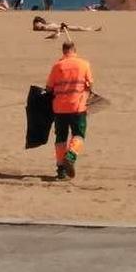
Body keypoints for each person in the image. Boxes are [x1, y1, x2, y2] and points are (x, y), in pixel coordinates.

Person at [46, 41, 93, 180]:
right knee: (78, 134)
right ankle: (71, 155)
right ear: (75, 50)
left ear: (63, 51)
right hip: (78, 107)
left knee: (60, 137)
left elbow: (49, 87)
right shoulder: (84, 64)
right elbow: (90, 84)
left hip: (59, 108)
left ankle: (61, 170)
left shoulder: (57, 66)